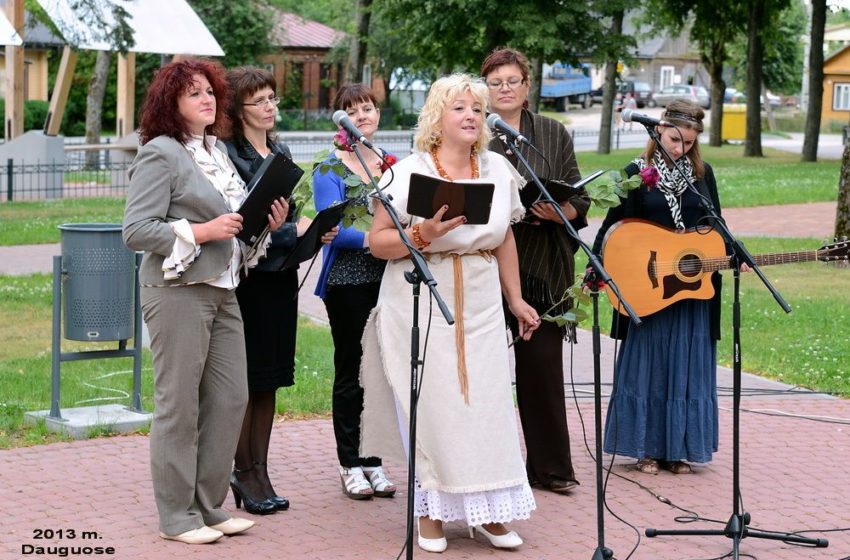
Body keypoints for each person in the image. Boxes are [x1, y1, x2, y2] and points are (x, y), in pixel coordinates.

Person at [359, 73, 540, 553]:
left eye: (477, 109)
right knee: (435, 408)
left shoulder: (498, 169)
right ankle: (432, 512)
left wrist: (516, 299)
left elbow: (504, 237)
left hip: (481, 300)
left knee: (487, 406)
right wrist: (424, 235)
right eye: (459, 107)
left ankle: (489, 512)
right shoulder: (406, 173)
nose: (470, 116)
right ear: (436, 117)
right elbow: (378, 243)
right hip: (420, 295)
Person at [123, 59, 287, 544]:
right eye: (194, 93)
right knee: (179, 405)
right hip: (177, 292)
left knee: (231, 397)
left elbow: (233, 227)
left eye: (210, 92)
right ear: (170, 103)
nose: (207, 100)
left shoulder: (214, 151)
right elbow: (136, 229)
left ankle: (209, 507)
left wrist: (265, 224)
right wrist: (201, 231)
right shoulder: (161, 153)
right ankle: (177, 517)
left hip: (223, 287)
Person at [592, 99, 745, 475]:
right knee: (650, 366)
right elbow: (614, 226)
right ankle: (644, 447)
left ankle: (678, 449)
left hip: (691, 291)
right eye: (676, 140)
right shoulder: (636, 173)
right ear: (659, 130)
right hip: (650, 289)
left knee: (686, 368)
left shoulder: (702, 175)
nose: (680, 149)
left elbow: (714, 221)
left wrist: (732, 250)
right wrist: (597, 267)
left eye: (689, 143)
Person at [224, 66, 337, 515]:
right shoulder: (229, 155)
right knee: (247, 380)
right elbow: (244, 224)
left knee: (270, 379)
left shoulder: (280, 150)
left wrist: (314, 231)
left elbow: (289, 215)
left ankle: (261, 470)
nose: (270, 107)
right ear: (239, 109)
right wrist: (290, 230)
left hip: (281, 277)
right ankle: (242, 470)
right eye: (260, 100)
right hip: (249, 279)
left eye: (272, 98)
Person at [481, 47, 590, 494]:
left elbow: (579, 196)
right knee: (485, 374)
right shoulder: (474, 134)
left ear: (527, 86)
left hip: (544, 266)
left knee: (542, 370)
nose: (505, 89)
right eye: (495, 83)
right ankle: (489, 468)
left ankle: (550, 468)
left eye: (512, 81)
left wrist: (562, 209)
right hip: (486, 266)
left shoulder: (552, 132)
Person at [312, 84, 396, 500]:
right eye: (352, 110)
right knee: (352, 371)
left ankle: (373, 460)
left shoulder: (389, 163)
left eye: (367, 108)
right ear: (341, 119)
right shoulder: (329, 168)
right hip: (348, 282)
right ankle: (349, 463)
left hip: (389, 279)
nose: (362, 116)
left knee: (381, 374)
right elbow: (332, 229)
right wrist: (377, 240)